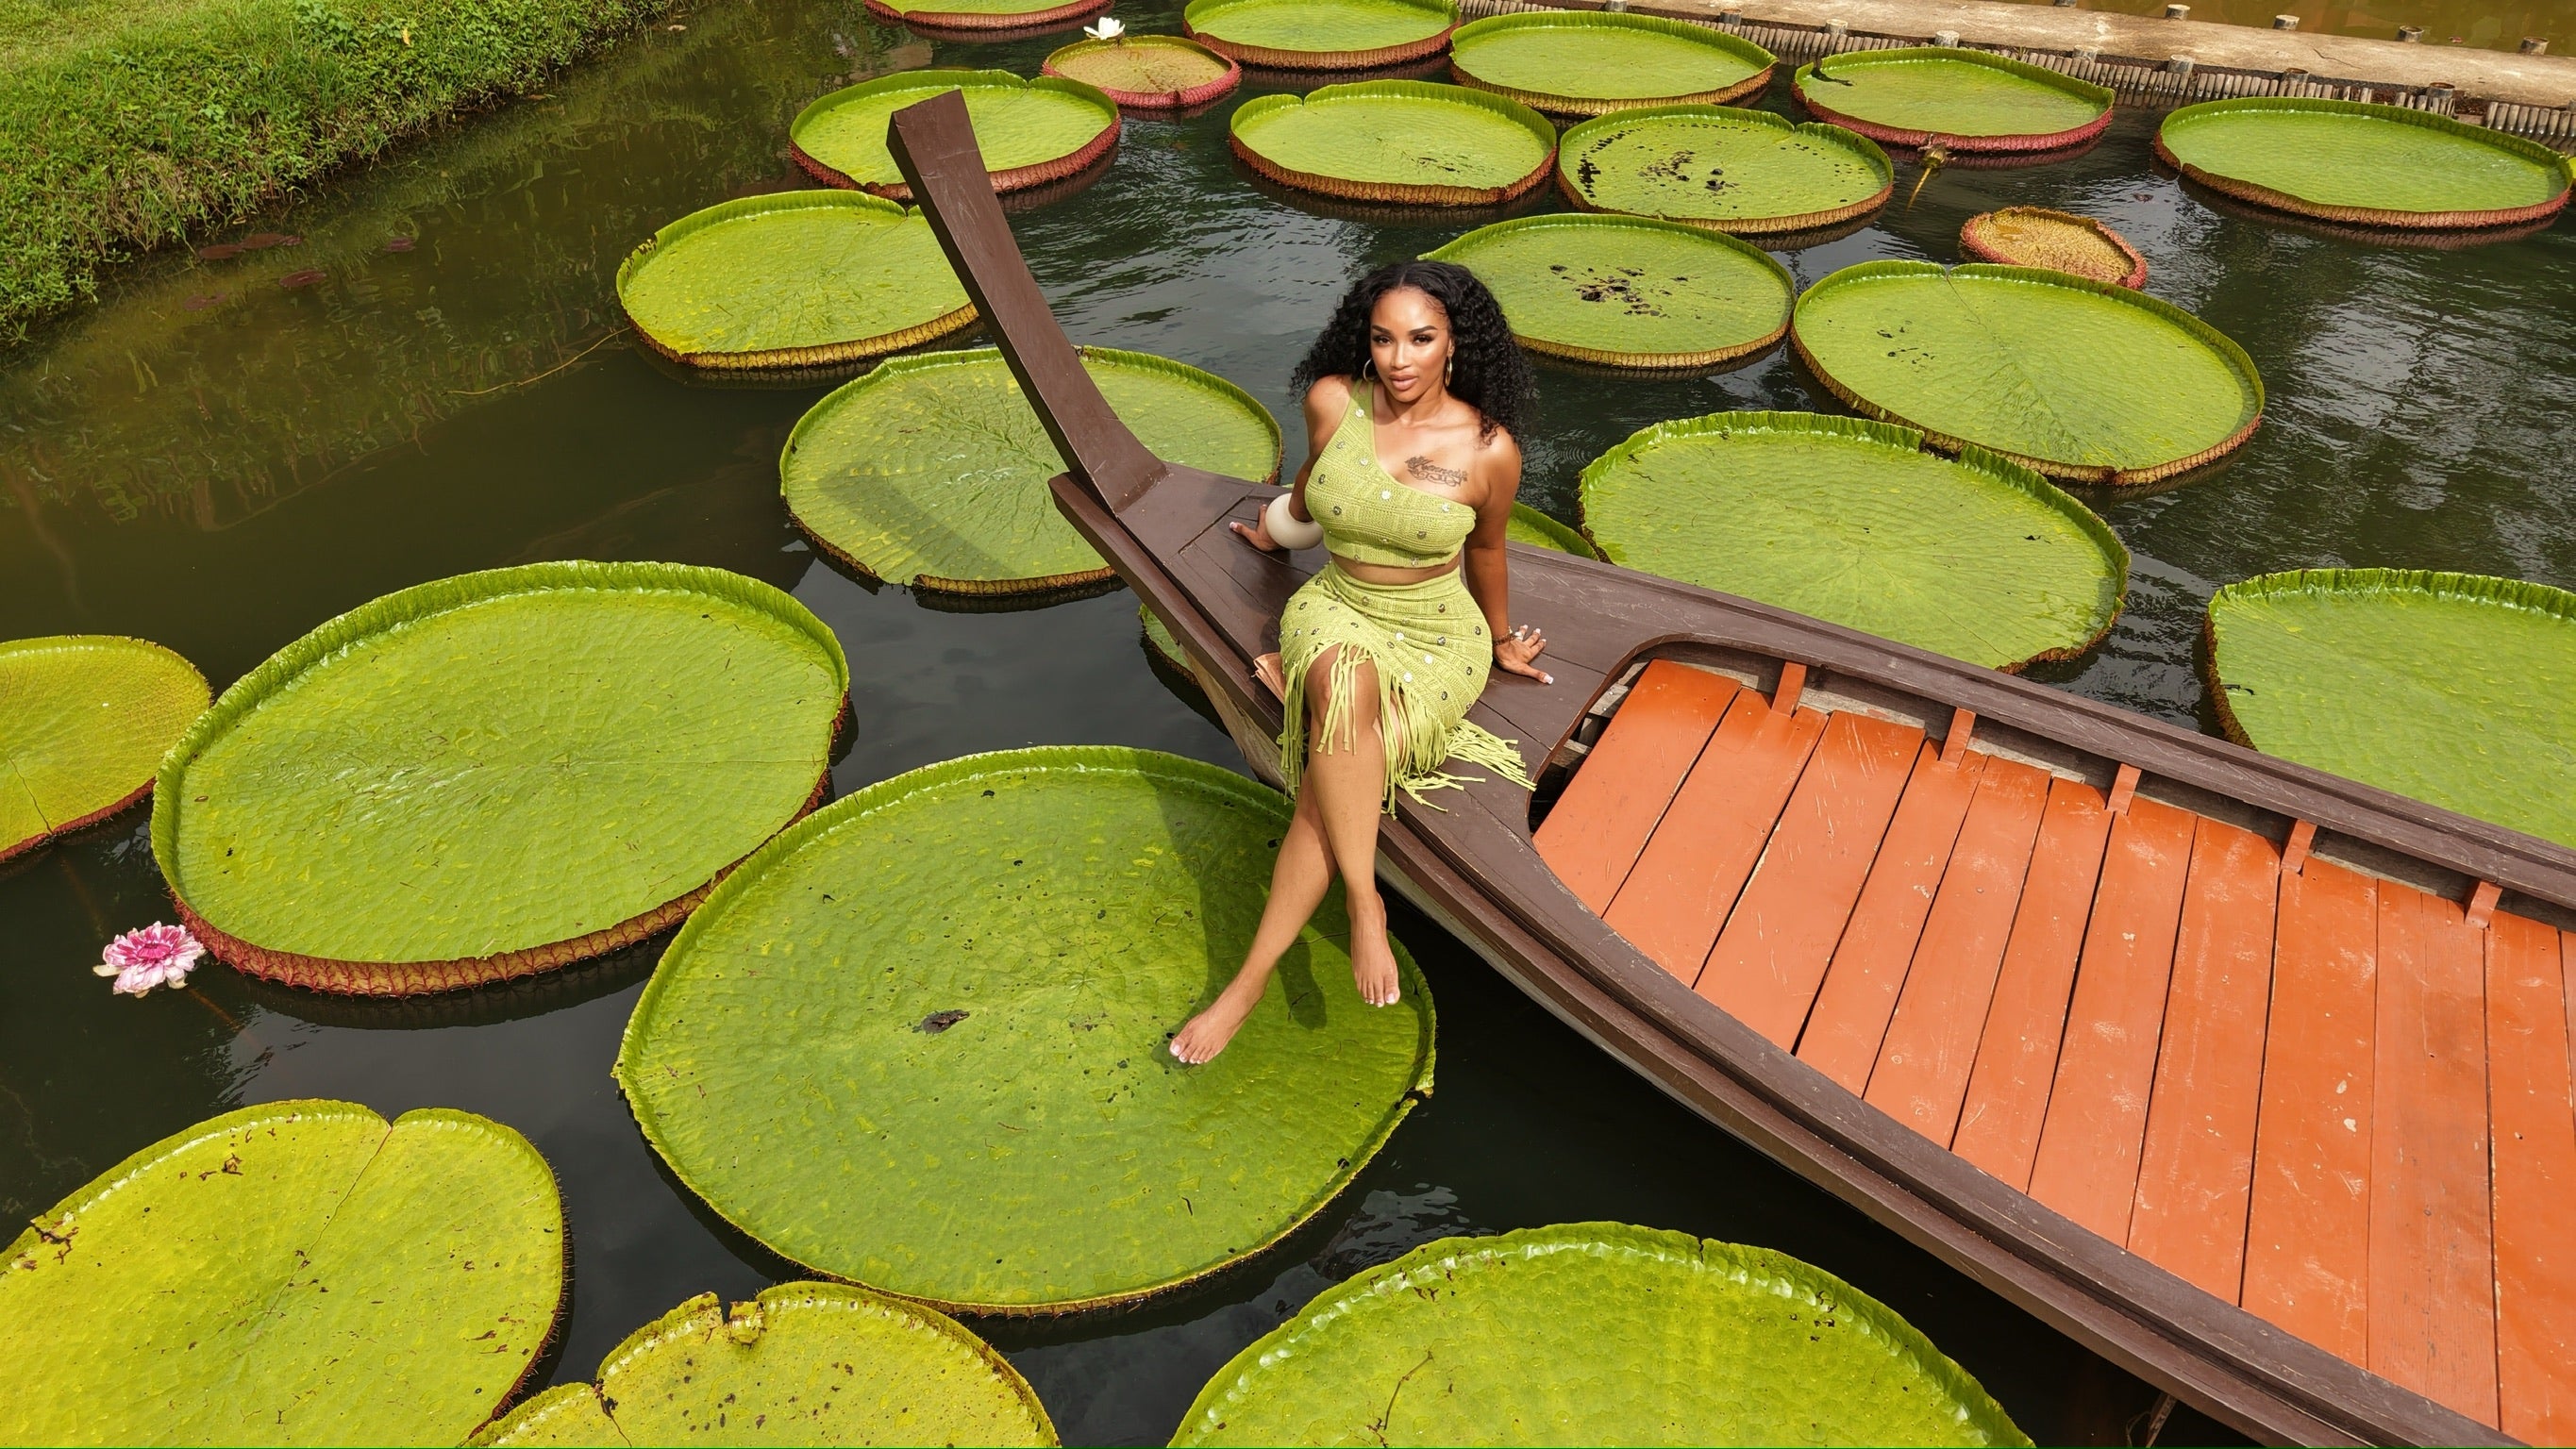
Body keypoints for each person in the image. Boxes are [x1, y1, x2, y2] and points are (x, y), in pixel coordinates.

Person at [1169, 259, 1551, 1066]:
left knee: (1329, 766)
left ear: (1455, 344)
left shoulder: (1488, 449)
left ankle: (1246, 985)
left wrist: (1503, 636)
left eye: (1420, 339)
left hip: (1436, 633)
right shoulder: (1333, 402)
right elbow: (1316, 484)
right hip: (1337, 606)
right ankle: (1364, 900)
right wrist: (1275, 532)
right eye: (1383, 339)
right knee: (1345, 681)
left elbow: (1487, 552)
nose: (1399, 359)